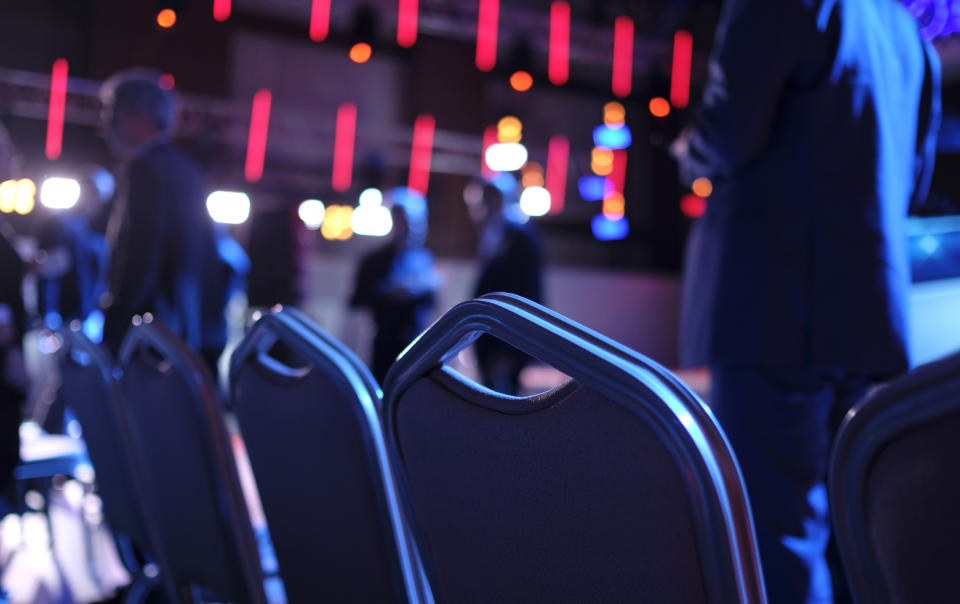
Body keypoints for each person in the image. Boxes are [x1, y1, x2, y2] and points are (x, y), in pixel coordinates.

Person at [671, 1, 940, 602]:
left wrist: (688, 150)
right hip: (865, 317)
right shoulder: (907, 36)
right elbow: (913, 181)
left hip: (775, 308)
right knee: (857, 543)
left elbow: (730, 129)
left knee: (776, 539)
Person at [99, 70, 226, 370]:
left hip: (146, 335)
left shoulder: (144, 167)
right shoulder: (187, 169)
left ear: (138, 115)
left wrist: (115, 328)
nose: (105, 124)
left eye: (111, 113)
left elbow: (139, 254)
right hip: (181, 333)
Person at [350, 188, 438, 383]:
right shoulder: (374, 261)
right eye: (401, 219)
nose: (406, 226)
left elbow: (432, 303)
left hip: (415, 347)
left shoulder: (425, 260)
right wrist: (386, 293)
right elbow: (356, 299)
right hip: (382, 344)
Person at [471, 175, 544, 395]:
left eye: (494, 198)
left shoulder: (521, 236)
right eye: (487, 199)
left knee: (506, 397)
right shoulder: (491, 232)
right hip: (489, 329)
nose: (489, 204)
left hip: (509, 331)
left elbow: (528, 288)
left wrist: (513, 343)